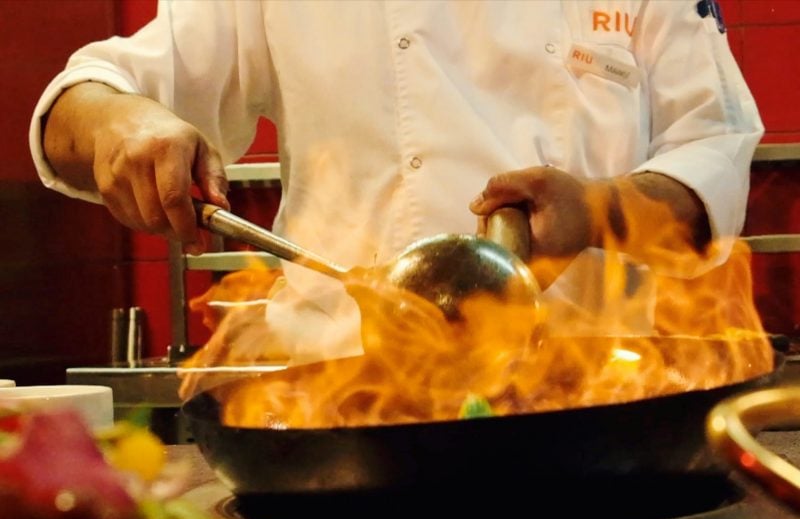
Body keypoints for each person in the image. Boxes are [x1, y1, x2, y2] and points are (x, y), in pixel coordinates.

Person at [29, 0, 763, 362]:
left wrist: (601, 211)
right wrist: (116, 125)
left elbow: (713, 150)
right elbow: (82, 101)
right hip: (341, 420)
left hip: (593, 419)